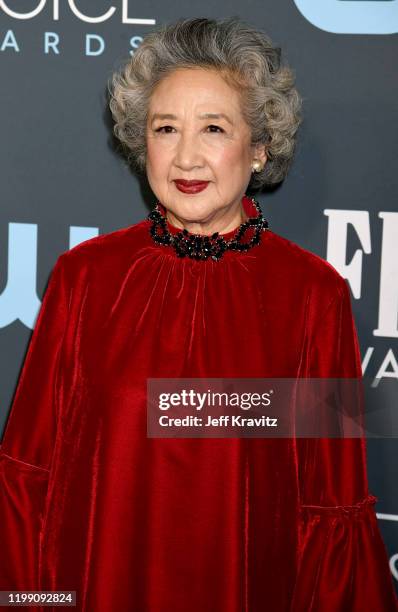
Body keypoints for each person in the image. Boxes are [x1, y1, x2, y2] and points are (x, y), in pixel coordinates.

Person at [0, 16, 397, 612]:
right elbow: (29, 481)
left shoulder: (314, 296)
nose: (186, 157)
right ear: (143, 144)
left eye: (213, 128)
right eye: (166, 128)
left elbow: (331, 501)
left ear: (259, 149)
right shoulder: (85, 278)